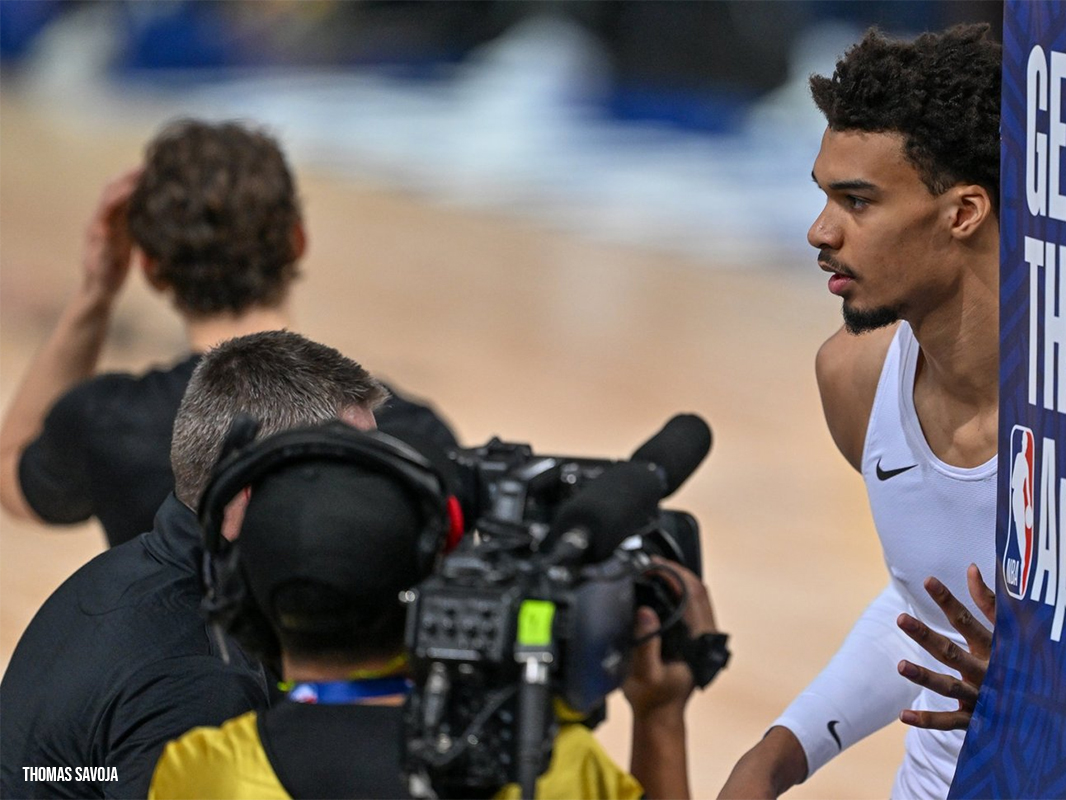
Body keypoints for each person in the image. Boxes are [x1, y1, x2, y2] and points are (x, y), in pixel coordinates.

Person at [719, 24, 1001, 799]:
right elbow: (923, 601)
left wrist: (1049, 692)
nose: (821, 232)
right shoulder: (855, 380)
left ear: (964, 211)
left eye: (857, 201)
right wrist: (780, 754)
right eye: (823, 196)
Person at [147, 422, 722, 800]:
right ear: (434, 578)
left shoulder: (203, 771)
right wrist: (659, 717)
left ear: (241, 594)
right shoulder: (554, 771)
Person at [0, 118, 456, 548]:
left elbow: (10, 471)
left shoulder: (111, 421)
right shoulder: (409, 431)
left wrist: (95, 292)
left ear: (152, 269)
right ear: (298, 241)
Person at [0, 330, 408, 799]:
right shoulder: (204, 681)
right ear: (256, 495)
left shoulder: (120, 577)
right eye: (355, 481)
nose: (377, 502)